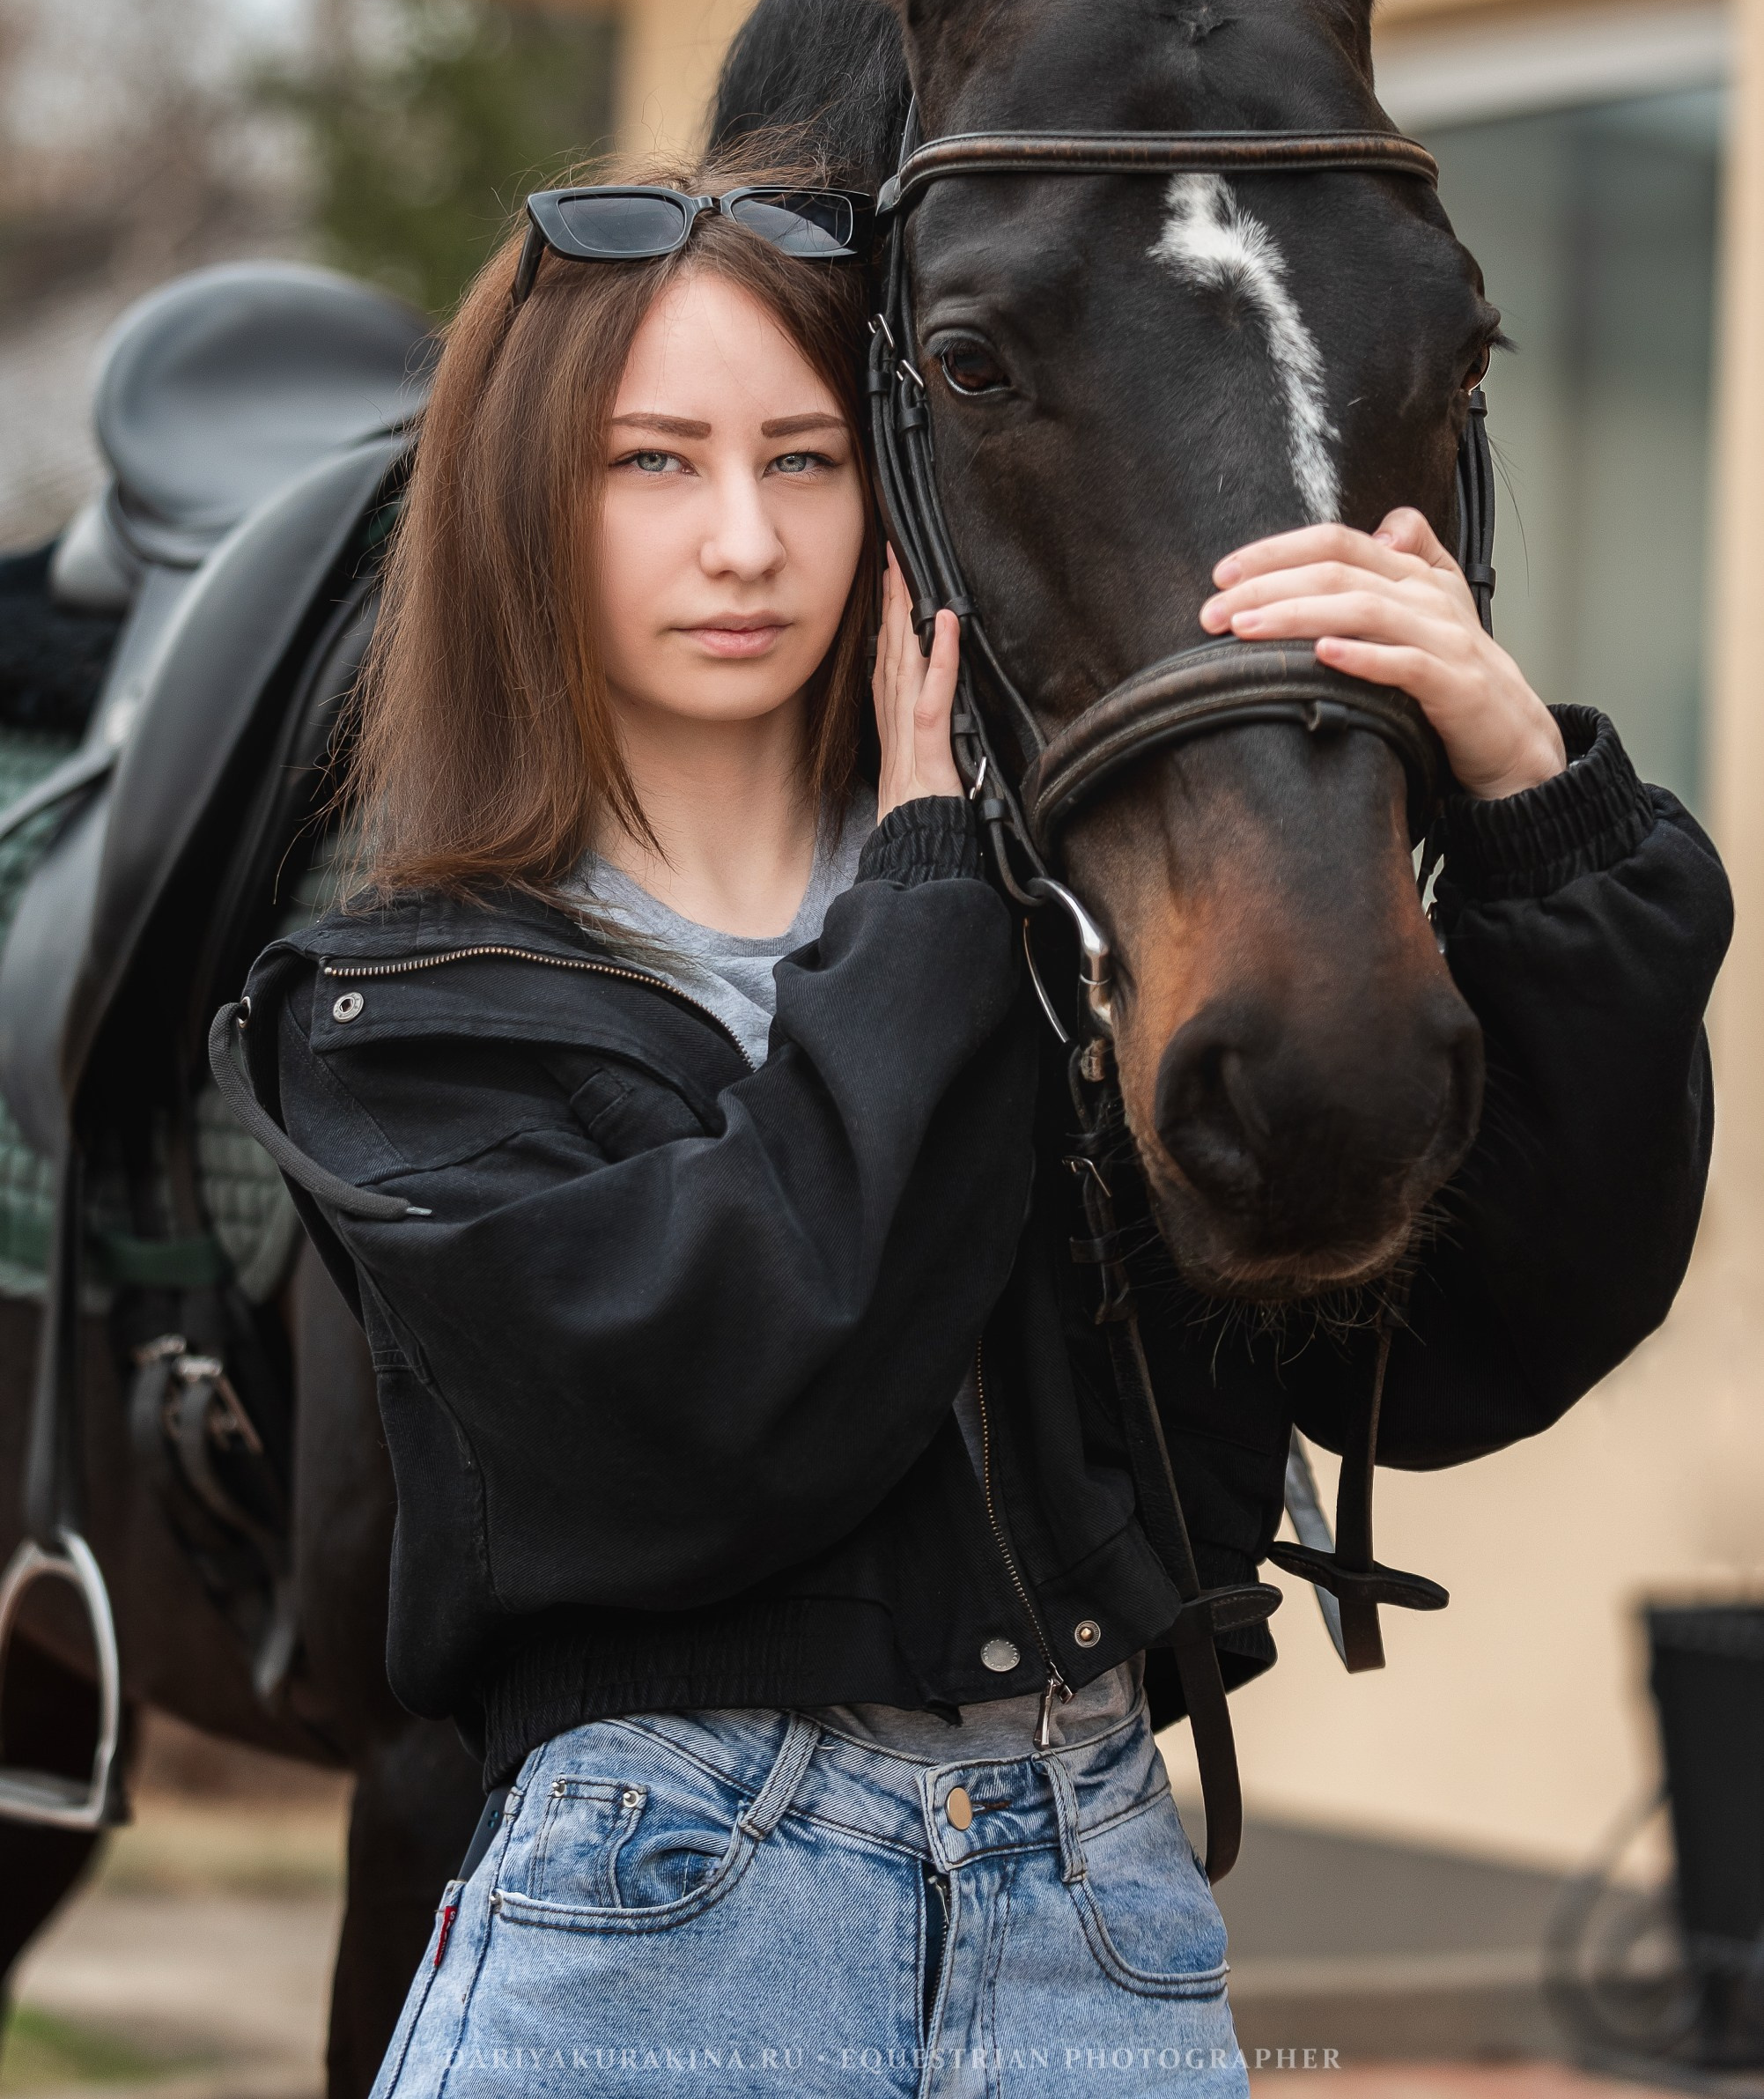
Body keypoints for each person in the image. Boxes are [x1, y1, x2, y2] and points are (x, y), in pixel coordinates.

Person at [227, 152, 1729, 2098]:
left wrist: (1533, 810)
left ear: (899, 489)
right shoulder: (409, 1017)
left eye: (802, 458)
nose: (745, 544)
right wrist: (933, 894)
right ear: (525, 506)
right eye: (652, 465)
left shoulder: (1082, 960)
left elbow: (1480, 1343)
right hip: (663, 1929)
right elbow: (753, 1392)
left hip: (1100, 1911)